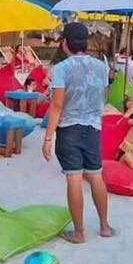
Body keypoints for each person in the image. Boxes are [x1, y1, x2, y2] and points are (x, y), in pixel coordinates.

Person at [42, 22, 114, 244]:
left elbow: (57, 105)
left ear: (64, 43)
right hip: (93, 127)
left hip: (69, 129)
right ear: (86, 42)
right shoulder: (101, 67)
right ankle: (104, 227)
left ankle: (80, 232)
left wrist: (48, 137)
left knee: (74, 178)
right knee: (95, 175)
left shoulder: (61, 69)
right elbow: (104, 96)